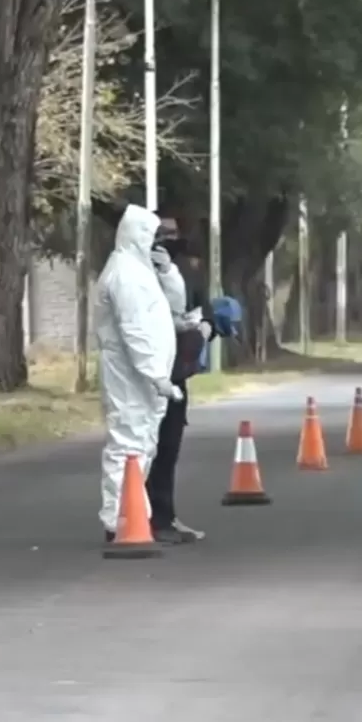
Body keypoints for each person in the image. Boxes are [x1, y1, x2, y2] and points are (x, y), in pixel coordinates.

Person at [95, 204, 178, 542]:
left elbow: (170, 306)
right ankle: (118, 518)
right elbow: (135, 329)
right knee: (127, 440)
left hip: (143, 375)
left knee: (142, 442)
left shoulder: (140, 270)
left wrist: (169, 272)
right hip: (130, 373)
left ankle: (132, 513)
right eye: (154, 235)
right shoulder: (124, 275)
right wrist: (156, 374)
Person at [145, 218, 214, 544]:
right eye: (160, 233)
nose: (167, 239)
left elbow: (206, 311)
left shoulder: (187, 268)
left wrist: (203, 328)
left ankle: (162, 515)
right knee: (140, 449)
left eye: (172, 233)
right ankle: (135, 516)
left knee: (167, 448)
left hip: (175, 372)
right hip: (142, 374)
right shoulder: (134, 273)